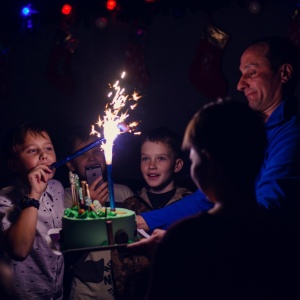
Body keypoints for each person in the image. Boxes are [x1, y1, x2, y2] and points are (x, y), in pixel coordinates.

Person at [134, 35, 300, 234]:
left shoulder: (291, 134)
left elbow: (266, 210)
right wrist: (143, 220)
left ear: (284, 73)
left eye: (252, 72)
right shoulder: (246, 130)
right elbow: (207, 196)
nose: (240, 85)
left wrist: (185, 238)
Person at [144, 99, 300, 300]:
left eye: (193, 159)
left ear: (206, 162)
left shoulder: (183, 238)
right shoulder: (285, 236)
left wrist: (162, 254)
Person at [112, 126, 193, 299]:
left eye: (161, 158)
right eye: (145, 158)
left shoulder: (190, 205)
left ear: (177, 164)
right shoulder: (129, 207)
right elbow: (118, 260)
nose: (151, 166)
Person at [63, 125, 134, 300]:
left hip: (124, 288)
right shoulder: (66, 197)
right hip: (86, 292)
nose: (92, 158)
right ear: (70, 164)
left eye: (97, 150)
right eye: (83, 154)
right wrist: (89, 207)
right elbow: (67, 247)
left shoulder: (124, 192)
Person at [0, 122, 65, 299]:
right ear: (13, 165)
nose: (44, 155)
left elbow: (57, 240)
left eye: (48, 148)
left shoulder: (57, 188)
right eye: (32, 151)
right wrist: (34, 194)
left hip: (56, 293)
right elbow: (19, 251)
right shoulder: (5, 198)